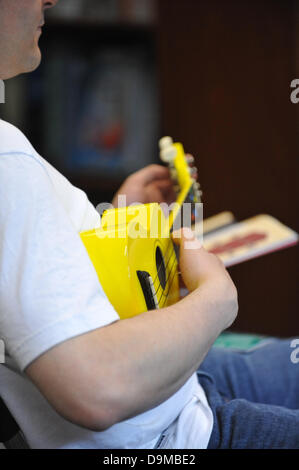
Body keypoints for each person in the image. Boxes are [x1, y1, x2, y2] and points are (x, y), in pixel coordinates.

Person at [0, 0, 298, 450]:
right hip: (176, 434)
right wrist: (217, 299)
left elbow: (30, 291)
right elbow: (96, 389)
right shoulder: (7, 160)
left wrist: (115, 228)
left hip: (179, 392)